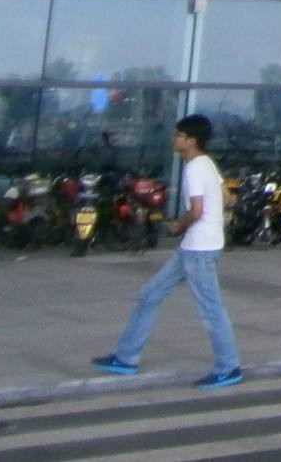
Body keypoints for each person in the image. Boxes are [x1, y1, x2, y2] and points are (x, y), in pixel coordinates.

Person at [93, 114, 242, 388]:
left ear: (191, 141)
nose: (173, 138)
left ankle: (228, 367)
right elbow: (227, 196)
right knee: (149, 294)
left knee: (211, 311)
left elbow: (196, 211)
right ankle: (126, 358)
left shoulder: (196, 167)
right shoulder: (207, 163)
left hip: (200, 249)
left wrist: (177, 225)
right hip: (194, 247)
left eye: (178, 135)